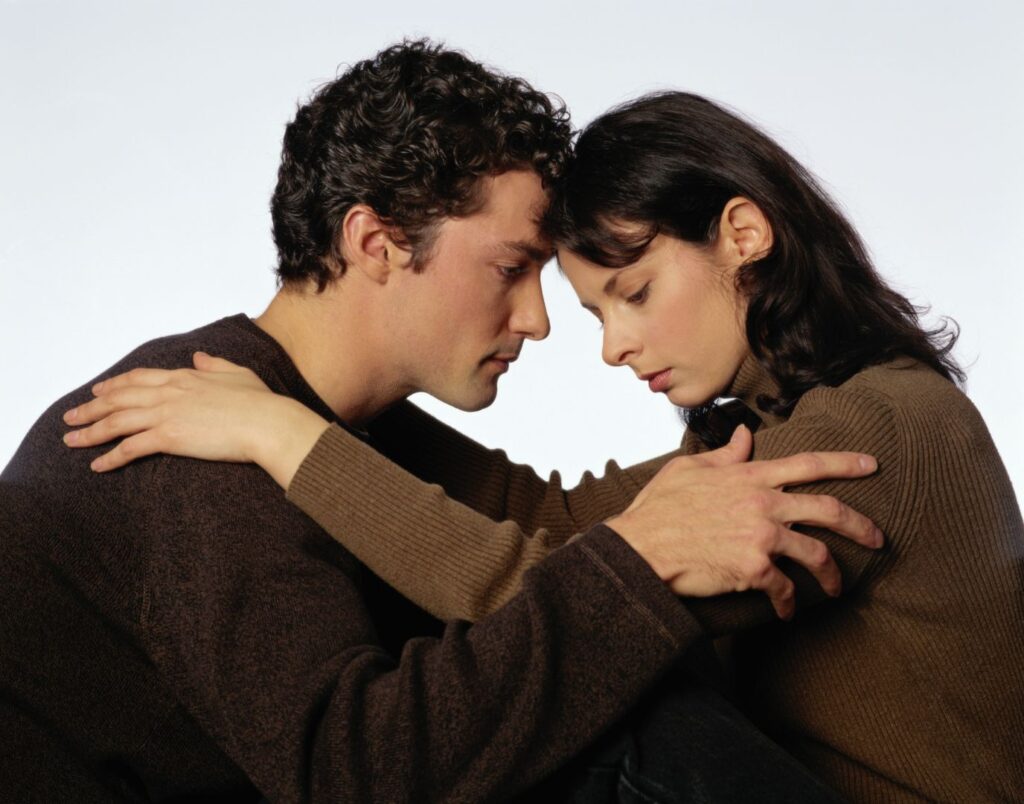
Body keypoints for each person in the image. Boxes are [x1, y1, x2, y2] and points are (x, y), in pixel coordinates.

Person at [70, 90, 1024, 802]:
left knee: (593, 700)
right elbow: (558, 523)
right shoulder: (768, 431)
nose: (609, 347)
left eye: (635, 294)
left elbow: (549, 587)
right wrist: (313, 392)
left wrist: (285, 433)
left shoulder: (882, 431)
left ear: (742, 233)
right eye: (593, 308)